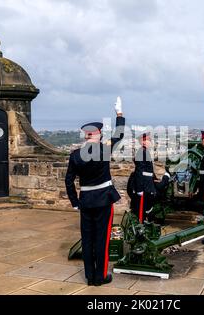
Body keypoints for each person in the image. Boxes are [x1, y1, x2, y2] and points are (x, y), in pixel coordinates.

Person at [65, 97, 125, 286]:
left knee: (88, 239)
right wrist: (119, 114)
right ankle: (100, 277)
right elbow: (119, 134)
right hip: (103, 199)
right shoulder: (104, 150)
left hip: (86, 201)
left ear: (86, 136)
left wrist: (75, 202)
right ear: (98, 134)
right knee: (102, 240)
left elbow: (68, 181)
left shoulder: (75, 155)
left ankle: (90, 277)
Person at [129, 132, 170, 223]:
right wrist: (140, 190)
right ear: (143, 142)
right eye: (149, 140)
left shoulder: (144, 152)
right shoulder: (141, 152)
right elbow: (140, 173)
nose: (151, 141)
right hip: (144, 187)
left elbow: (147, 173)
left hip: (147, 185)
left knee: (145, 209)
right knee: (142, 212)